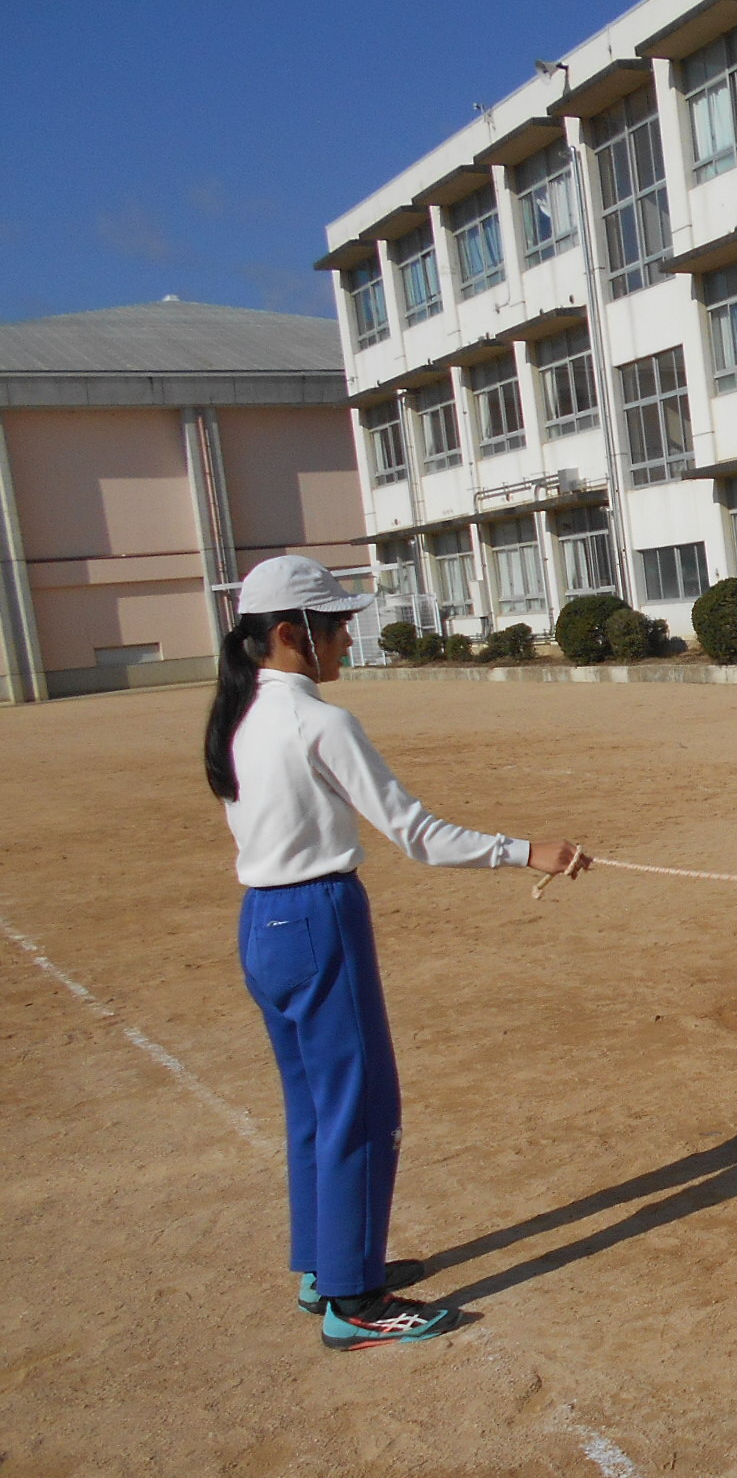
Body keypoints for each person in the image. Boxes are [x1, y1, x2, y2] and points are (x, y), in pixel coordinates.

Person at [204, 556, 591, 1349]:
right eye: (336, 624)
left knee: (315, 1106)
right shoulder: (319, 721)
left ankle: (326, 1268)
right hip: (317, 918)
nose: (350, 636)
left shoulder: (238, 716)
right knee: (360, 1107)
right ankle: (354, 1301)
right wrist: (527, 850)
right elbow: (416, 834)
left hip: (264, 922)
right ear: (290, 635)